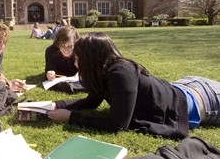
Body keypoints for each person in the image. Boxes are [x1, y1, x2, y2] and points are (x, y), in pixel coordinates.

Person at [47, 32, 220, 139]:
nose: (75, 63)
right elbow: (91, 102)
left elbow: (118, 124)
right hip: (182, 85)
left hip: (202, 99)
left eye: (77, 58)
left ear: (91, 59)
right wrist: (57, 105)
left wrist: (71, 117)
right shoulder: (104, 72)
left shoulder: (120, 72)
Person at [44, 25, 84, 93]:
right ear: (58, 43)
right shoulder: (51, 51)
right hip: (59, 78)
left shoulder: (81, 50)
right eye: (62, 45)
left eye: (69, 46)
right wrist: (49, 73)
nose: (66, 49)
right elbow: (49, 68)